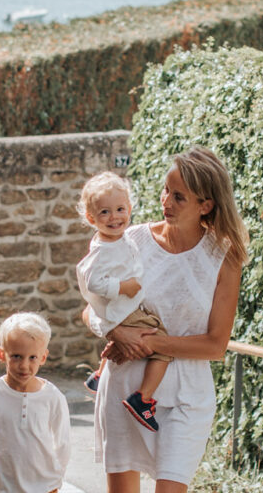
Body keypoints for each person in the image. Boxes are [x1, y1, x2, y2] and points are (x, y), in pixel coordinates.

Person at [88, 146, 249, 493]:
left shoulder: (224, 257)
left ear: (205, 205)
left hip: (187, 396)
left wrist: (148, 343)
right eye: (166, 190)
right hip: (124, 387)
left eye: (179, 197)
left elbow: (216, 344)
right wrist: (116, 331)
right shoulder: (130, 241)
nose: (166, 202)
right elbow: (91, 308)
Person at [75, 172, 171, 431]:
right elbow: (93, 282)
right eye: (104, 212)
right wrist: (123, 286)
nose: (114, 217)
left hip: (125, 307)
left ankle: (98, 374)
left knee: (131, 341)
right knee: (163, 345)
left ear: (130, 208)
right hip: (123, 308)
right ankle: (143, 399)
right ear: (91, 218)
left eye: (120, 209)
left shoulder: (119, 238)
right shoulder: (103, 249)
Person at [0, 313, 72, 493]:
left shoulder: (53, 397)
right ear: (2, 354)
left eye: (32, 357)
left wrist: (54, 484)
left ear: (44, 357)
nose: (24, 365)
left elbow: (62, 445)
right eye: (16, 356)